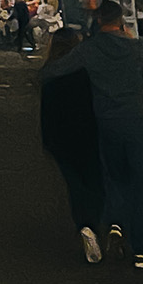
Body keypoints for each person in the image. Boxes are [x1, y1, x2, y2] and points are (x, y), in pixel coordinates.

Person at [40, 0, 143, 270]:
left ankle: (115, 225)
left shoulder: (88, 49)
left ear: (97, 22)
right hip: (136, 121)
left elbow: (51, 71)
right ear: (121, 22)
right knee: (140, 185)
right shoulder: (136, 48)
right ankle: (141, 251)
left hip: (106, 123)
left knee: (114, 178)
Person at [41, 28, 105, 263]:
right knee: (95, 179)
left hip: (62, 138)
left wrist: (48, 141)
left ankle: (84, 225)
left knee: (75, 183)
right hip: (90, 132)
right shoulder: (86, 70)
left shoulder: (50, 74)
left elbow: (47, 113)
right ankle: (96, 221)